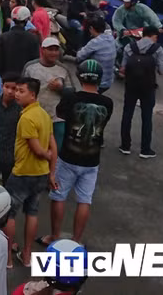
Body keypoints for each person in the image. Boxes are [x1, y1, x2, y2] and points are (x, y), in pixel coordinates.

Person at [37, 60, 113, 247]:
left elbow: (60, 114)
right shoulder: (107, 103)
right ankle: (76, 240)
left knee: (58, 196)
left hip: (68, 156)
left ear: (79, 76)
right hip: (92, 160)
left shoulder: (72, 98)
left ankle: (54, 236)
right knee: (84, 200)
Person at [4, 77, 57, 269]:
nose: (16, 94)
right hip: (41, 174)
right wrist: (51, 172)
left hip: (23, 172)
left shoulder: (26, 118)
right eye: (16, 90)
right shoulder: (44, 115)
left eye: (21, 91)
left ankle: (8, 259)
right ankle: (27, 256)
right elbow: (53, 144)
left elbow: (37, 148)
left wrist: (45, 153)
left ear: (32, 95)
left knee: (9, 215)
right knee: (32, 213)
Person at [119, 26, 163, 159]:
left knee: (127, 114)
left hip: (131, 85)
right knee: (147, 117)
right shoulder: (158, 49)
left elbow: (122, 68)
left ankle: (125, 146)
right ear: (153, 36)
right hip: (148, 87)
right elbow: (162, 70)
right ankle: (145, 149)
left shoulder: (129, 47)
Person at [22, 37, 67, 148]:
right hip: (34, 117)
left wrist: (61, 88)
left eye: (56, 50)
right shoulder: (30, 67)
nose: (54, 53)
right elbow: (21, 89)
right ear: (42, 50)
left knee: (56, 150)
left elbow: (72, 94)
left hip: (56, 119)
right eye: (50, 49)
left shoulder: (63, 69)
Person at [74, 15, 115, 93]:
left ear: (91, 29)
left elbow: (79, 56)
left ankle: (88, 91)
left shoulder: (95, 42)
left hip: (98, 82)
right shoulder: (111, 38)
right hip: (108, 81)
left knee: (79, 67)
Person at [0, 6, 40, 76]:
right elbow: (35, 61)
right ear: (26, 20)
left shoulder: (3, 37)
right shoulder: (33, 38)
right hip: (25, 79)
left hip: (7, 79)